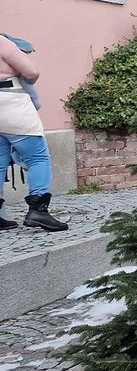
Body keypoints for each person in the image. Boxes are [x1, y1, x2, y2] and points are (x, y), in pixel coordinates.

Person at [0, 35, 68, 231]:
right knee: (38, 157)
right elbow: (31, 72)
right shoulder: (3, 42)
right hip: (10, 102)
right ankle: (39, 210)